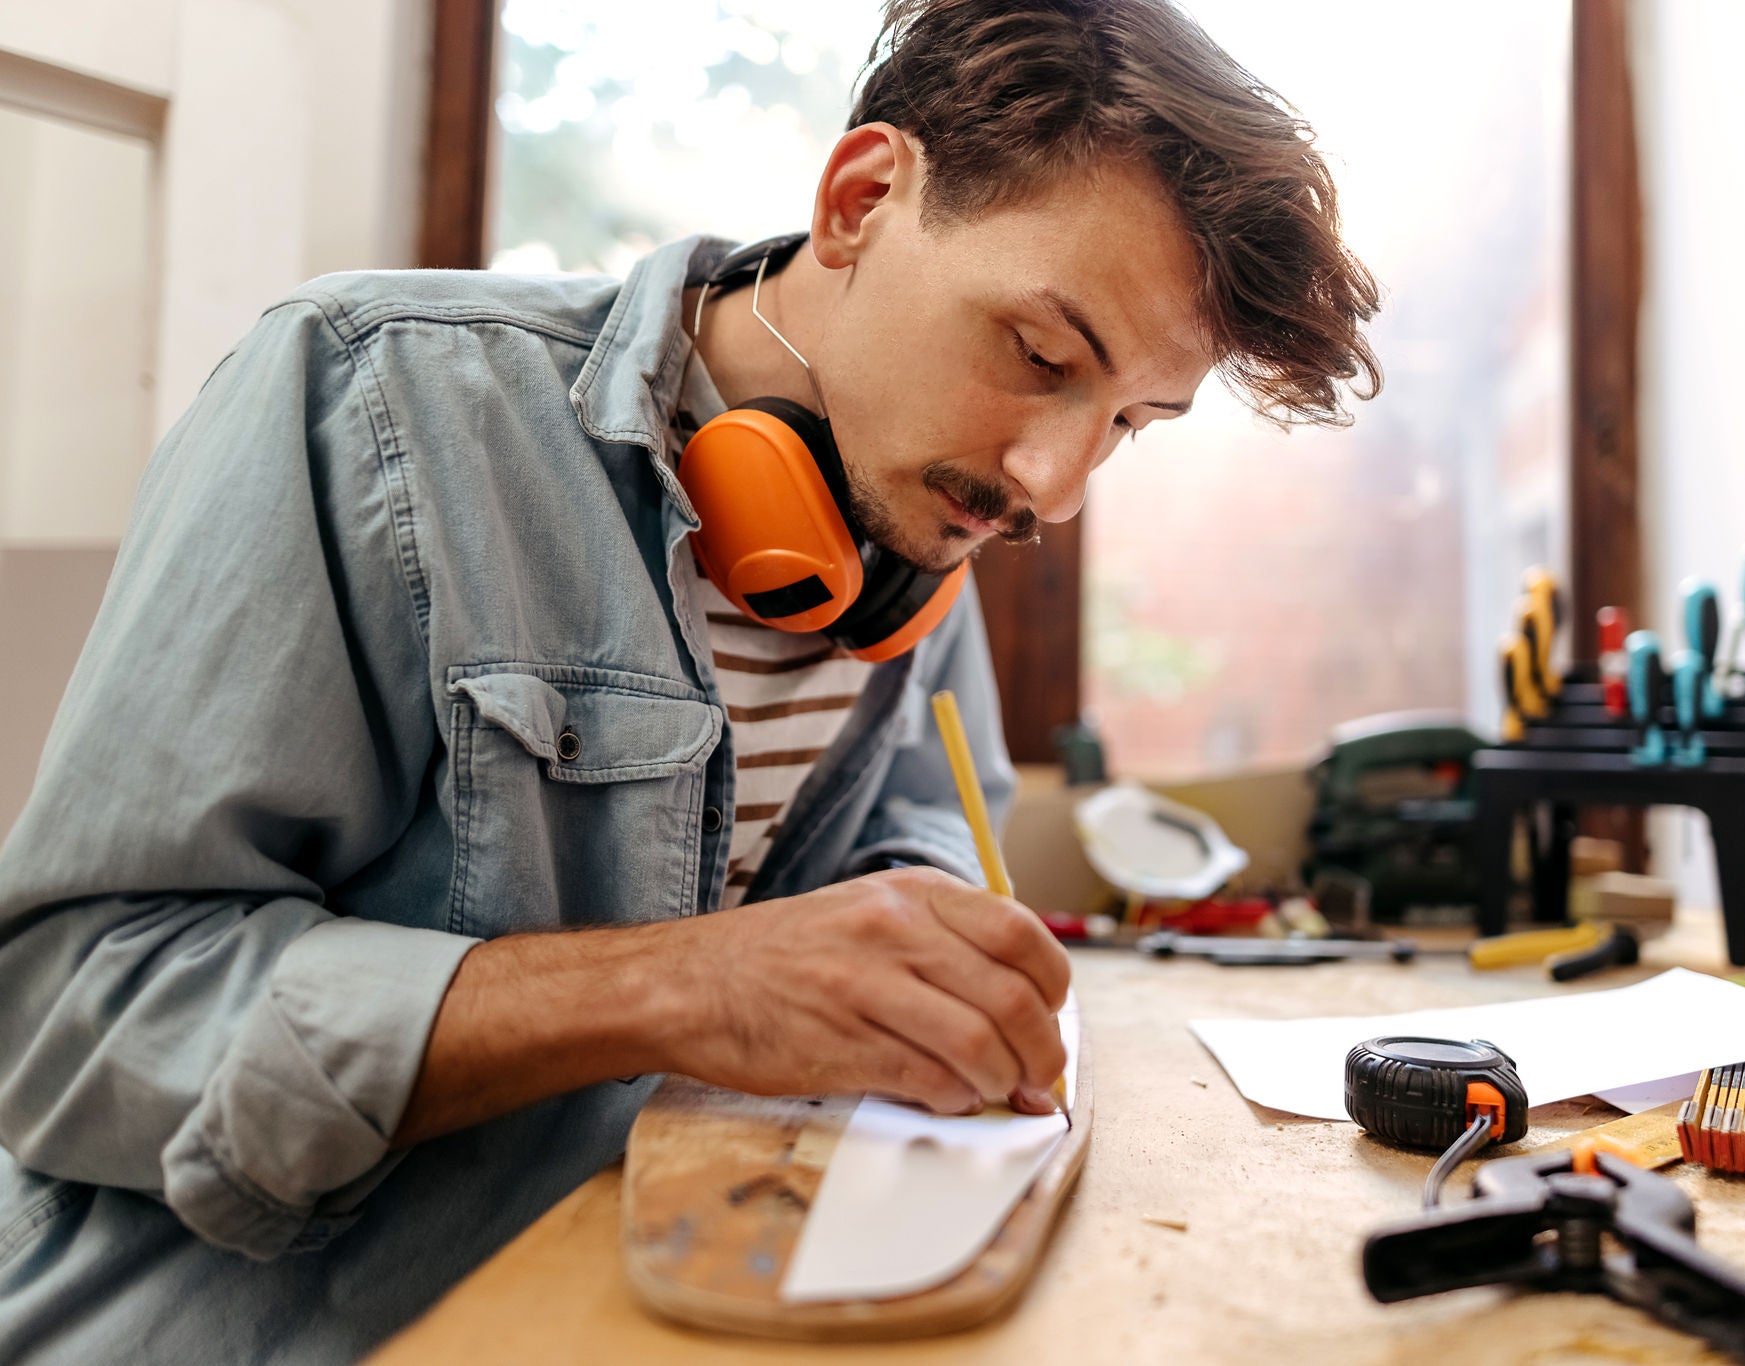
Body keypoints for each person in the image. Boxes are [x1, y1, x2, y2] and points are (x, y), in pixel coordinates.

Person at [0, 0, 1381, 1359]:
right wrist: (685, 986)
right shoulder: (368, 399)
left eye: (1128, 423)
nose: (1052, 490)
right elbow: (72, 1015)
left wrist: (935, 955)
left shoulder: (920, 522)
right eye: (1038, 355)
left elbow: (917, 849)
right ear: (859, 200)